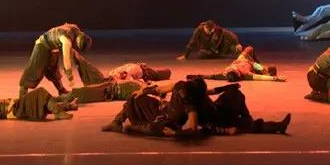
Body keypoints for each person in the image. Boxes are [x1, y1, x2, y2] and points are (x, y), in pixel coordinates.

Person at [101, 76, 290, 136]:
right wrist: (145, 90)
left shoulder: (191, 103)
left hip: (208, 116)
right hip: (166, 111)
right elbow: (163, 88)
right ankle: (117, 122)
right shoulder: (184, 89)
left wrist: (175, 134)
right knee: (135, 98)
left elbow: (193, 127)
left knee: (237, 107)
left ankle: (273, 126)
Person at [19, 23, 106, 95]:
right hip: (42, 45)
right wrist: (70, 77)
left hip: (53, 49)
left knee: (53, 71)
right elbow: (66, 59)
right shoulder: (66, 40)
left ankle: (61, 90)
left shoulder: (76, 30)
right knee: (34, 69)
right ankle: (23, 91)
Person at [0, 88, 79, 123]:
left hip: (14, 105)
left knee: (42, 103)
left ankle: (69, 106)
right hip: (13, 110)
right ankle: (59, 113)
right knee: (40, 93)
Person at [203, 46, 286, 82]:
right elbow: (261, 77)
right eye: (234, 69)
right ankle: (266, 71)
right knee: (271, 68)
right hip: (253, 65)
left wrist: (199, 76)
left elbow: (212, 76)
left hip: (243, 58)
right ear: (238, 74)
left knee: (249, 48)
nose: (232, 68)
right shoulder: (246, 74)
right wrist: (275, 78)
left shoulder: (225, 73)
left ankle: (259, 65)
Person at [177, 20, 242, 60]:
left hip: (219, 47)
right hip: (207, 49)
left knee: (235, 48)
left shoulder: (217, 29)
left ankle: (240, 56)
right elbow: (192, 42)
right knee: (201, 55)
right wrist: (185, 56)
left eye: (212, 31)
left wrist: (237, 44)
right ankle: (218, 55)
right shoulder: (199, 30)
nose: (210, 33)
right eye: (208, 31)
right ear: (205, 27)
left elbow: (231, 35)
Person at [107, 62, 172, 82]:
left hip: (145, 73)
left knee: (159, 74)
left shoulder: (127, 73)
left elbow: (133, 82)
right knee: (157, 74)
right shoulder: (112, 73)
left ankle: (167, 72)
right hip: (141, 71)